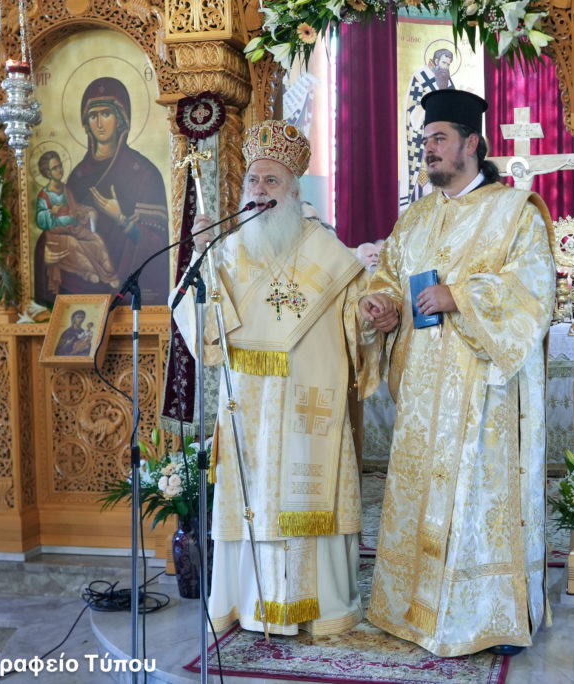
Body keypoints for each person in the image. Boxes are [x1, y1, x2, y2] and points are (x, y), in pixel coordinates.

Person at [359, 89, 556, 657]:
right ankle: (409, 610)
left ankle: (489, 618)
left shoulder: (514, 212)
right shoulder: (415, 219)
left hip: (482, 396)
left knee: (477, 503)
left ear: (472, 144)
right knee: (420, 499)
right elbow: (388, 278)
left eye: (439, 139)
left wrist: (459, 297)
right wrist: (382, 306)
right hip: (422, 395)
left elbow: (533, 292)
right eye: (425, 140)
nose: (429, 149)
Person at [173, 120, 380, 637]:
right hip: (249, 409)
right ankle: (247, 603)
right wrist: (199, 254)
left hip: (309, 403)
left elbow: (358, 319)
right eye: (253, 180)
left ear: (294, 189)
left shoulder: (328, 252)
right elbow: (200, 326)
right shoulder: (227, 250)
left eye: (272, 180)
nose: (260, 190)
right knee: (253, 498)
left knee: (307, 495)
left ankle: (320, 608)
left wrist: (372, 314)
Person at [58, 77, 169, 303]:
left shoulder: (144, 172)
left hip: (129, 293)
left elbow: (158, 244)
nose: (99, 123)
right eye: (93, 116)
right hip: (82, 292)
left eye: (106, 114)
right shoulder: (78, 176)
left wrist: (120, 218)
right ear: (86, 123)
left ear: (120, 119)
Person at [34, 150, 120, 294]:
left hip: (72, 228)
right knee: (73, 243)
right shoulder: (44, 195)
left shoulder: (65, 189)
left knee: (95, 239)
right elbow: (40, 220)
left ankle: (109, 274)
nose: (59, 170)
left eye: (59, 166)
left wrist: (85, 212)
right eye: (54, 168)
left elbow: (73, 208)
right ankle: (89, 272)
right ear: (48, 173)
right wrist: (51, 212)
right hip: (56, 234)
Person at [401, 48, 455, 210]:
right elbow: (412, 110)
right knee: (424, 184)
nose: (446, 67)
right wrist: (433, 109)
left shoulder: (447, 81)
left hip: (443, 140)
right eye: (444, 63)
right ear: (436, 61)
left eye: (448, 64)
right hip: (422, 138)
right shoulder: (420, 77)